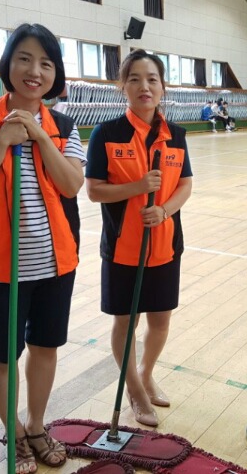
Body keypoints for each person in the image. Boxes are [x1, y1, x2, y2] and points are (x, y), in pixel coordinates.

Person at [0, 23, 86, 474]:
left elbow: (71, 184)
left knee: (45, 348)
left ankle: (36, 426)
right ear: (7, 63)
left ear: (55, 73)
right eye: (24, 58)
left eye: (46, 63)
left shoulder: (64, 126)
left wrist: (41, 137)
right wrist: (4, 140)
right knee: (4, 355)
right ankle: (13, 429)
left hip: (54, 264)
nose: (34, 71)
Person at [85, 49, 193, 427]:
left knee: (160, 320)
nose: (144, 86)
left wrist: (164, 210)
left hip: (165, 246)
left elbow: (185, 185)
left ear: (163, 87)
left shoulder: (176, 136)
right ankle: (133, 388)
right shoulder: (106, 134)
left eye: (152, 79)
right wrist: (138, 187)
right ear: (123, 87)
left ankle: (145, 374)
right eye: (134, 79)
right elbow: (94, 191)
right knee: (125, 323)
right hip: (123, 249)